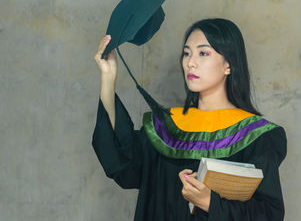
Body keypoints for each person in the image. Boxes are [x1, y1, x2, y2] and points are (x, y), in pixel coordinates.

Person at [92, 18, 287, 221]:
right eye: (187, 53)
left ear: (228, 64)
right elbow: (123, 164)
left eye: (203, 53)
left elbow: (268, 215)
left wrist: (211, 203)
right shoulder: (166, 128)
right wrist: (108, 79)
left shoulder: (256, 135)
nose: (190, 63)